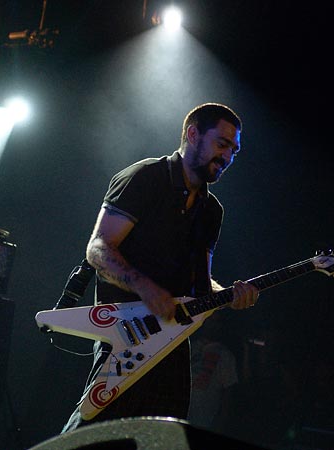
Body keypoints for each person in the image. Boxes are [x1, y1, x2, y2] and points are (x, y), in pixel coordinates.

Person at [62, 102, 260, 433]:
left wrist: (229, 295)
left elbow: (200, 284)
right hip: (124, 333)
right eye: (222, 144)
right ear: (192, 134)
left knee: (160, 438)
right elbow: (98, 249)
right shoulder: (145, 177)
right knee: (93, 435)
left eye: (234, 151)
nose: (227, 157)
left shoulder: (212, 211)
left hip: (173, 343)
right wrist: (145, 287)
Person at [188, 313, 238, 433]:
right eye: (210, 320)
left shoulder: (225, 355)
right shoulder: (190, 346)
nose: (212, 325)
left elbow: (229, 391)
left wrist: (220, 423)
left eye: (216, 322)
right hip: (181, 413)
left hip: (204, 421)